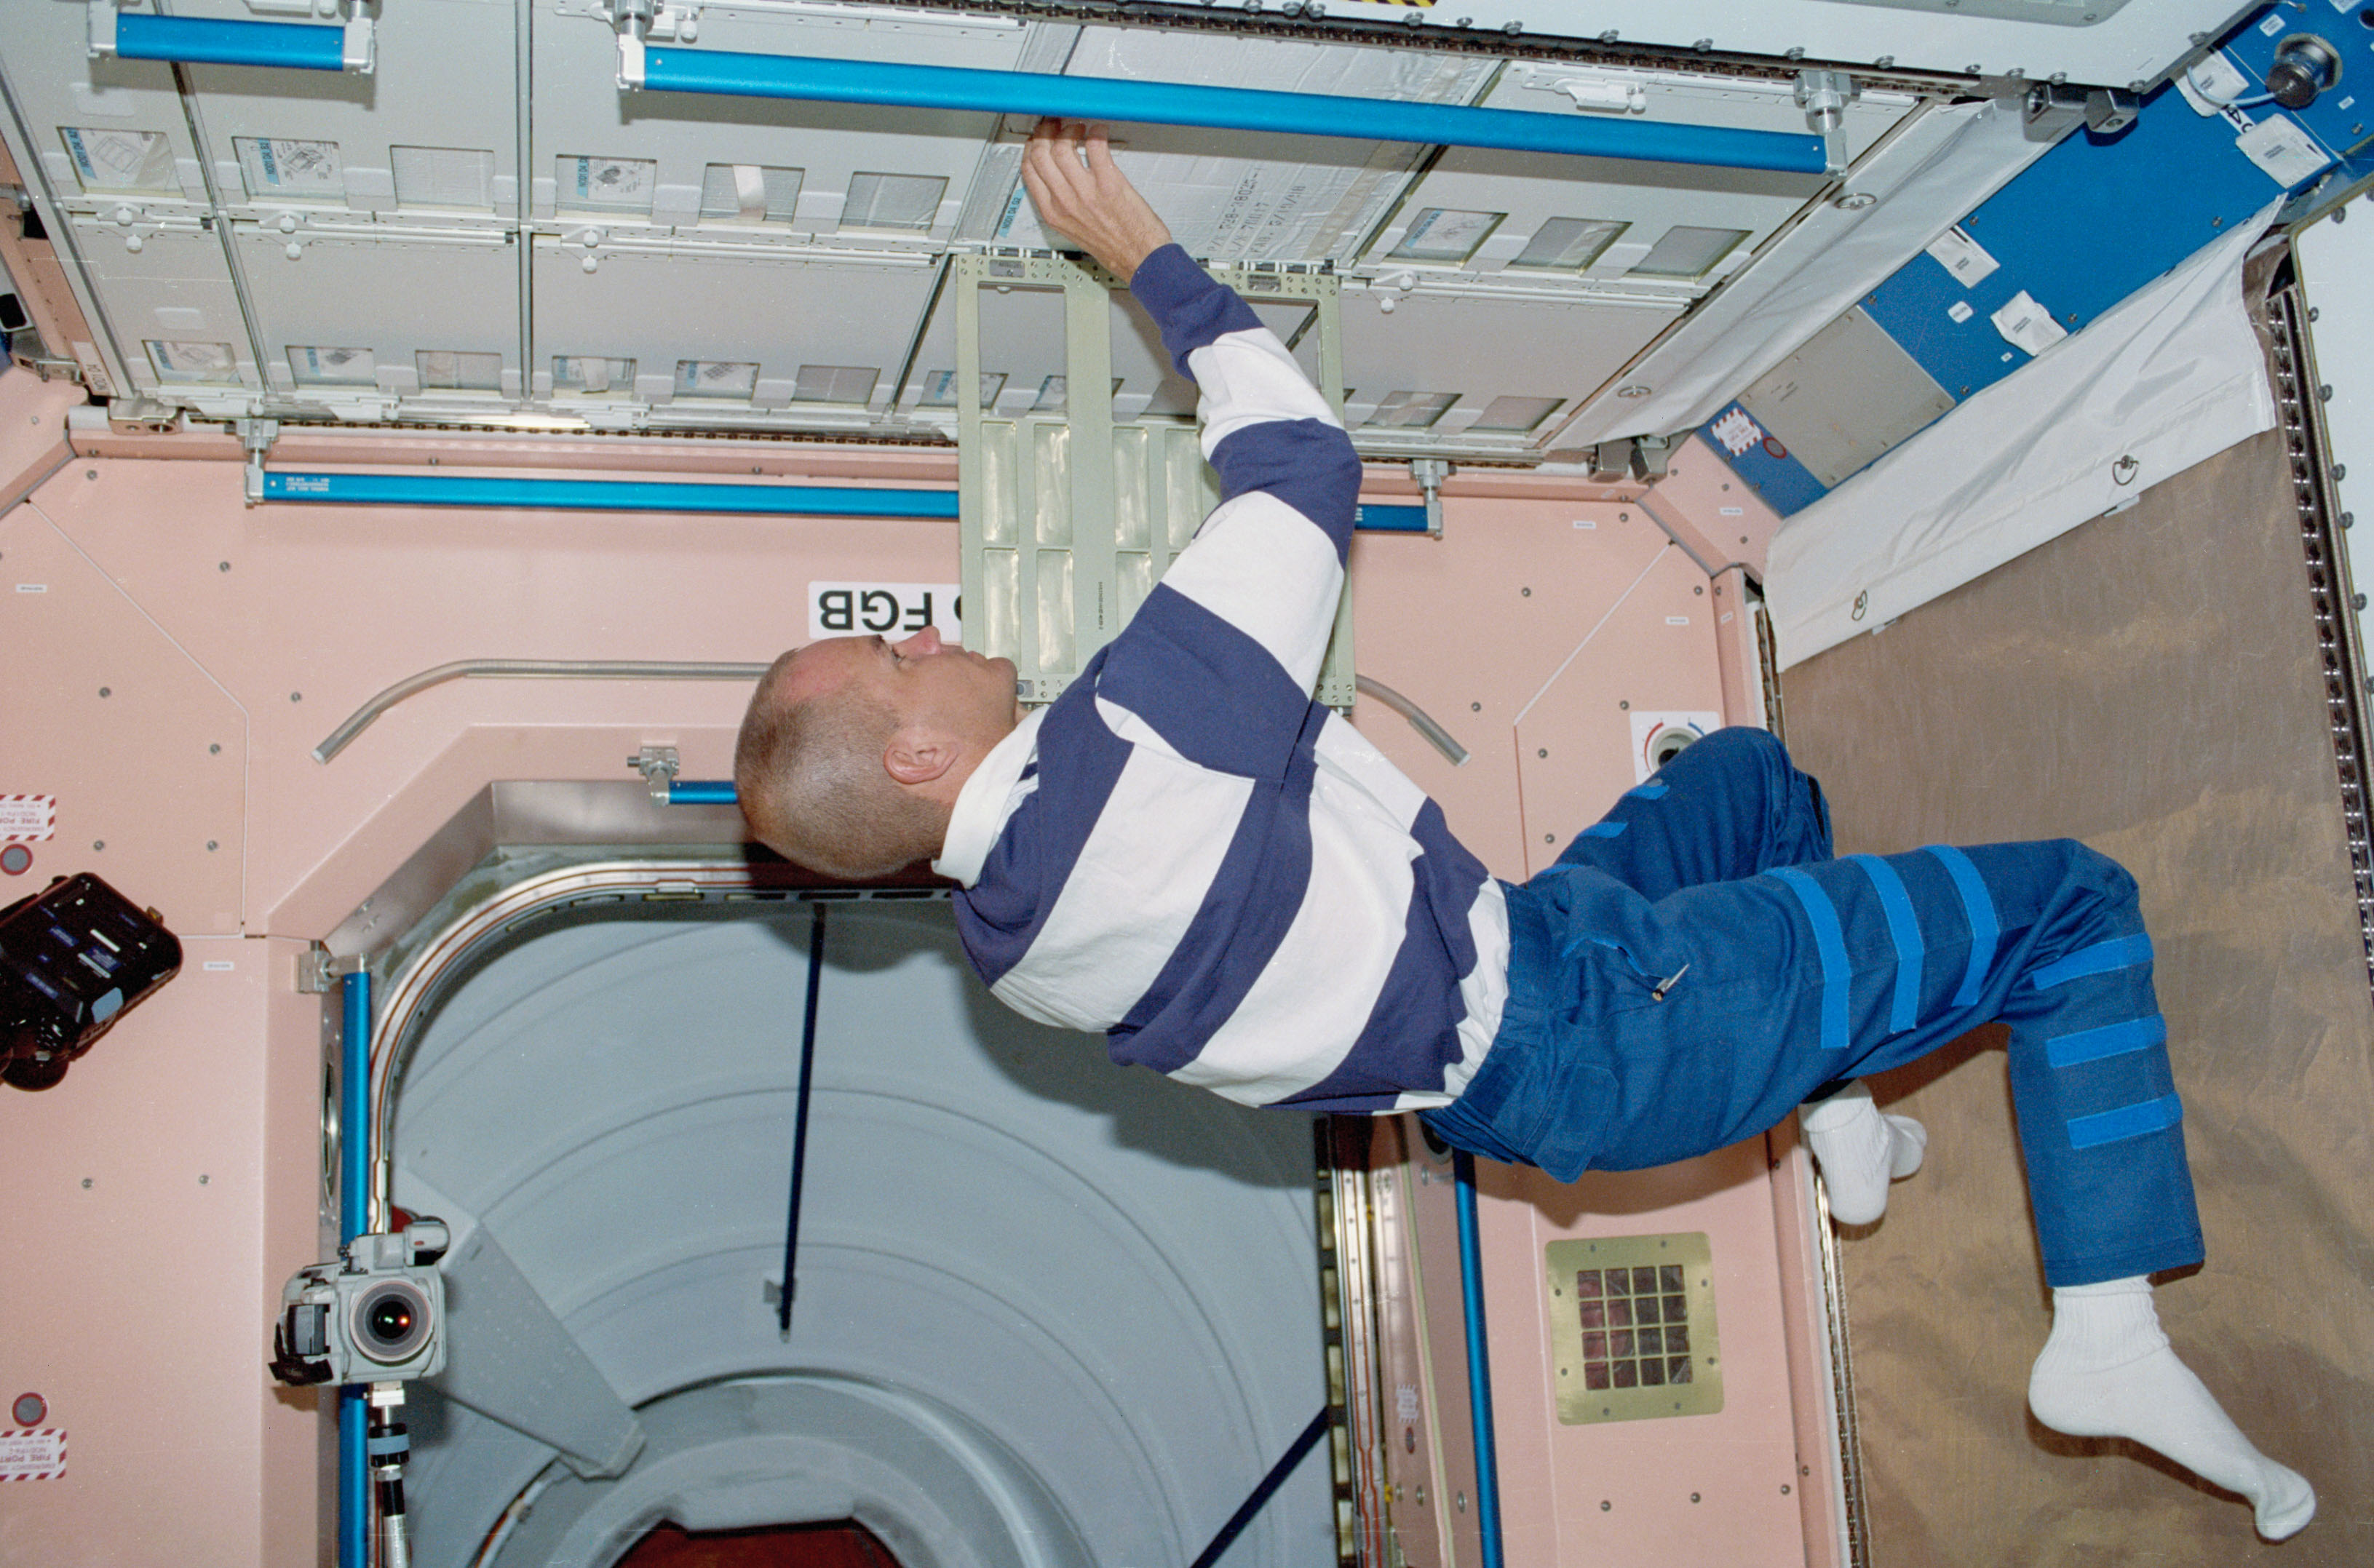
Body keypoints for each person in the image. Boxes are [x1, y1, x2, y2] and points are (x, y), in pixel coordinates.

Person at [735, 119, 2314, 1538]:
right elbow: (1300, 461)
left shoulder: (1009, 952)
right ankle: (2106, 1331)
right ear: (921, 751)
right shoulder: (1126, 742)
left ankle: (1830, 1089)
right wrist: (1139, 249)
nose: (924, 633)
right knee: (2070, 911)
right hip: (1612, 1021)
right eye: (897, 658)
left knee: (1747, 781)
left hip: (1520, 1014)